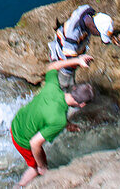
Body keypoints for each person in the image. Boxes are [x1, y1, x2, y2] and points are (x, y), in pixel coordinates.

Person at [10, 57, 95, 187]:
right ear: (82, 104)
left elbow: (52, 66)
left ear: (73, 89)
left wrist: (77, 60)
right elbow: (34, 143)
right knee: (35, 169)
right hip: (21, 139)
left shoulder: (53, 87)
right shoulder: (59, 120)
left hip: (16, 123)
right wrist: (42, 167)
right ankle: (19, 186)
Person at [48, 5, 119, 88]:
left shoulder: (88, 12)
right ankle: (64, 90)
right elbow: (69, 59)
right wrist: (79, 60)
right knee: (65, 82)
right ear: (93, 27)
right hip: (62, 57)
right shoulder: (72, 34)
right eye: (99, 34)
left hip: (70, 46)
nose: (98, 36)